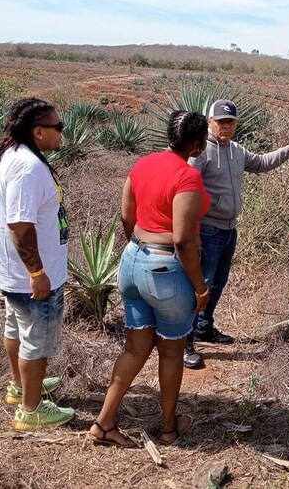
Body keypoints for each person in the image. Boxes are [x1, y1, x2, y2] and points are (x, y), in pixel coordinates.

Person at [88, 111, 211, 448]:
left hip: (132, 262)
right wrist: (200, 287)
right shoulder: (187, 177)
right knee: (171, 354)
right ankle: (169, 429)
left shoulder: (143, 164)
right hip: (166, 270)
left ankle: (104, 422)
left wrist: (140, 250)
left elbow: (127, 216)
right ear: (198, 145)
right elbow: (184, 240)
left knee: (135, 348)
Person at [184, 99, 289, 369]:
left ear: (236, 124)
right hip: (207, 229)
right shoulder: (201, 152)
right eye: (220, 121)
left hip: (229, 230)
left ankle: (204, 326)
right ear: (210, 121)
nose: (225, 126)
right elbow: (189, 187)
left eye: (230, 122)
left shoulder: (237, 151)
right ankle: (186, 338)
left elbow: (261, 163)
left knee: (218, 282)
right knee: (200, 285)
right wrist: (202, 218)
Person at [0, 97, 74, 431]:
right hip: (33, 277)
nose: (62, 133)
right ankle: (30, 409)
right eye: (57, 127)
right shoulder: (28, 167)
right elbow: (20, 227)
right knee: (36, 341)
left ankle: (19, 386)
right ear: (38, 132)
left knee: (16, 328)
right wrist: (38, 273)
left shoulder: (15, 154)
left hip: (15, 273)